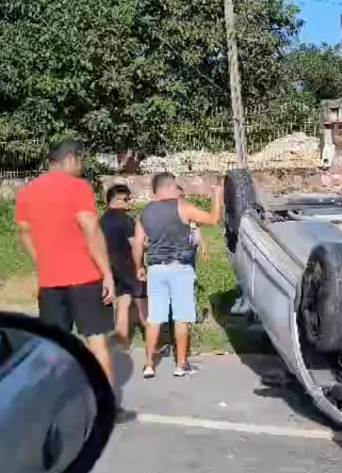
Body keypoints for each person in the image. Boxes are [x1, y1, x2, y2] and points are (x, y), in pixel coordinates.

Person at [14, 140, 132, 421]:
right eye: (80, 161)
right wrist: (106, 273)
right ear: (69, 159)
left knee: (56, 346)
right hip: (85, 278)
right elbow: (90, 227)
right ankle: (106, 408)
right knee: (97, 343)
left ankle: (56, 406)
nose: (81, 167)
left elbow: (24, 232)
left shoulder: (27, 192)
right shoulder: (78, 187)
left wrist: (43, 262)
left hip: (50, 281)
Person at [133, 173, 223, 378]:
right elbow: (213, 219)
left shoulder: (145, 212)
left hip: (155, 269)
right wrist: (217, 195)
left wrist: (139, 267)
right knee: (181, 319)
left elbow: (138, 244)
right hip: (180, 268)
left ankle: (148, 365)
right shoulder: (182, 207)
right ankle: (181, 364)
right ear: (171, 187)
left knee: (154, 318)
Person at [100, 184, 148, 349]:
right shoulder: (125, 220)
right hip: (129, 265)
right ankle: (154, 341)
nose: (129, 202)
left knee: (122, 302)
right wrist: (147, 244)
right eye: (126, 199)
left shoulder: (102, 220)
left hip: (111, 267)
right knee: (143, 303)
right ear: (117, 200)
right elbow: (135, 244)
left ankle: (122, 341)